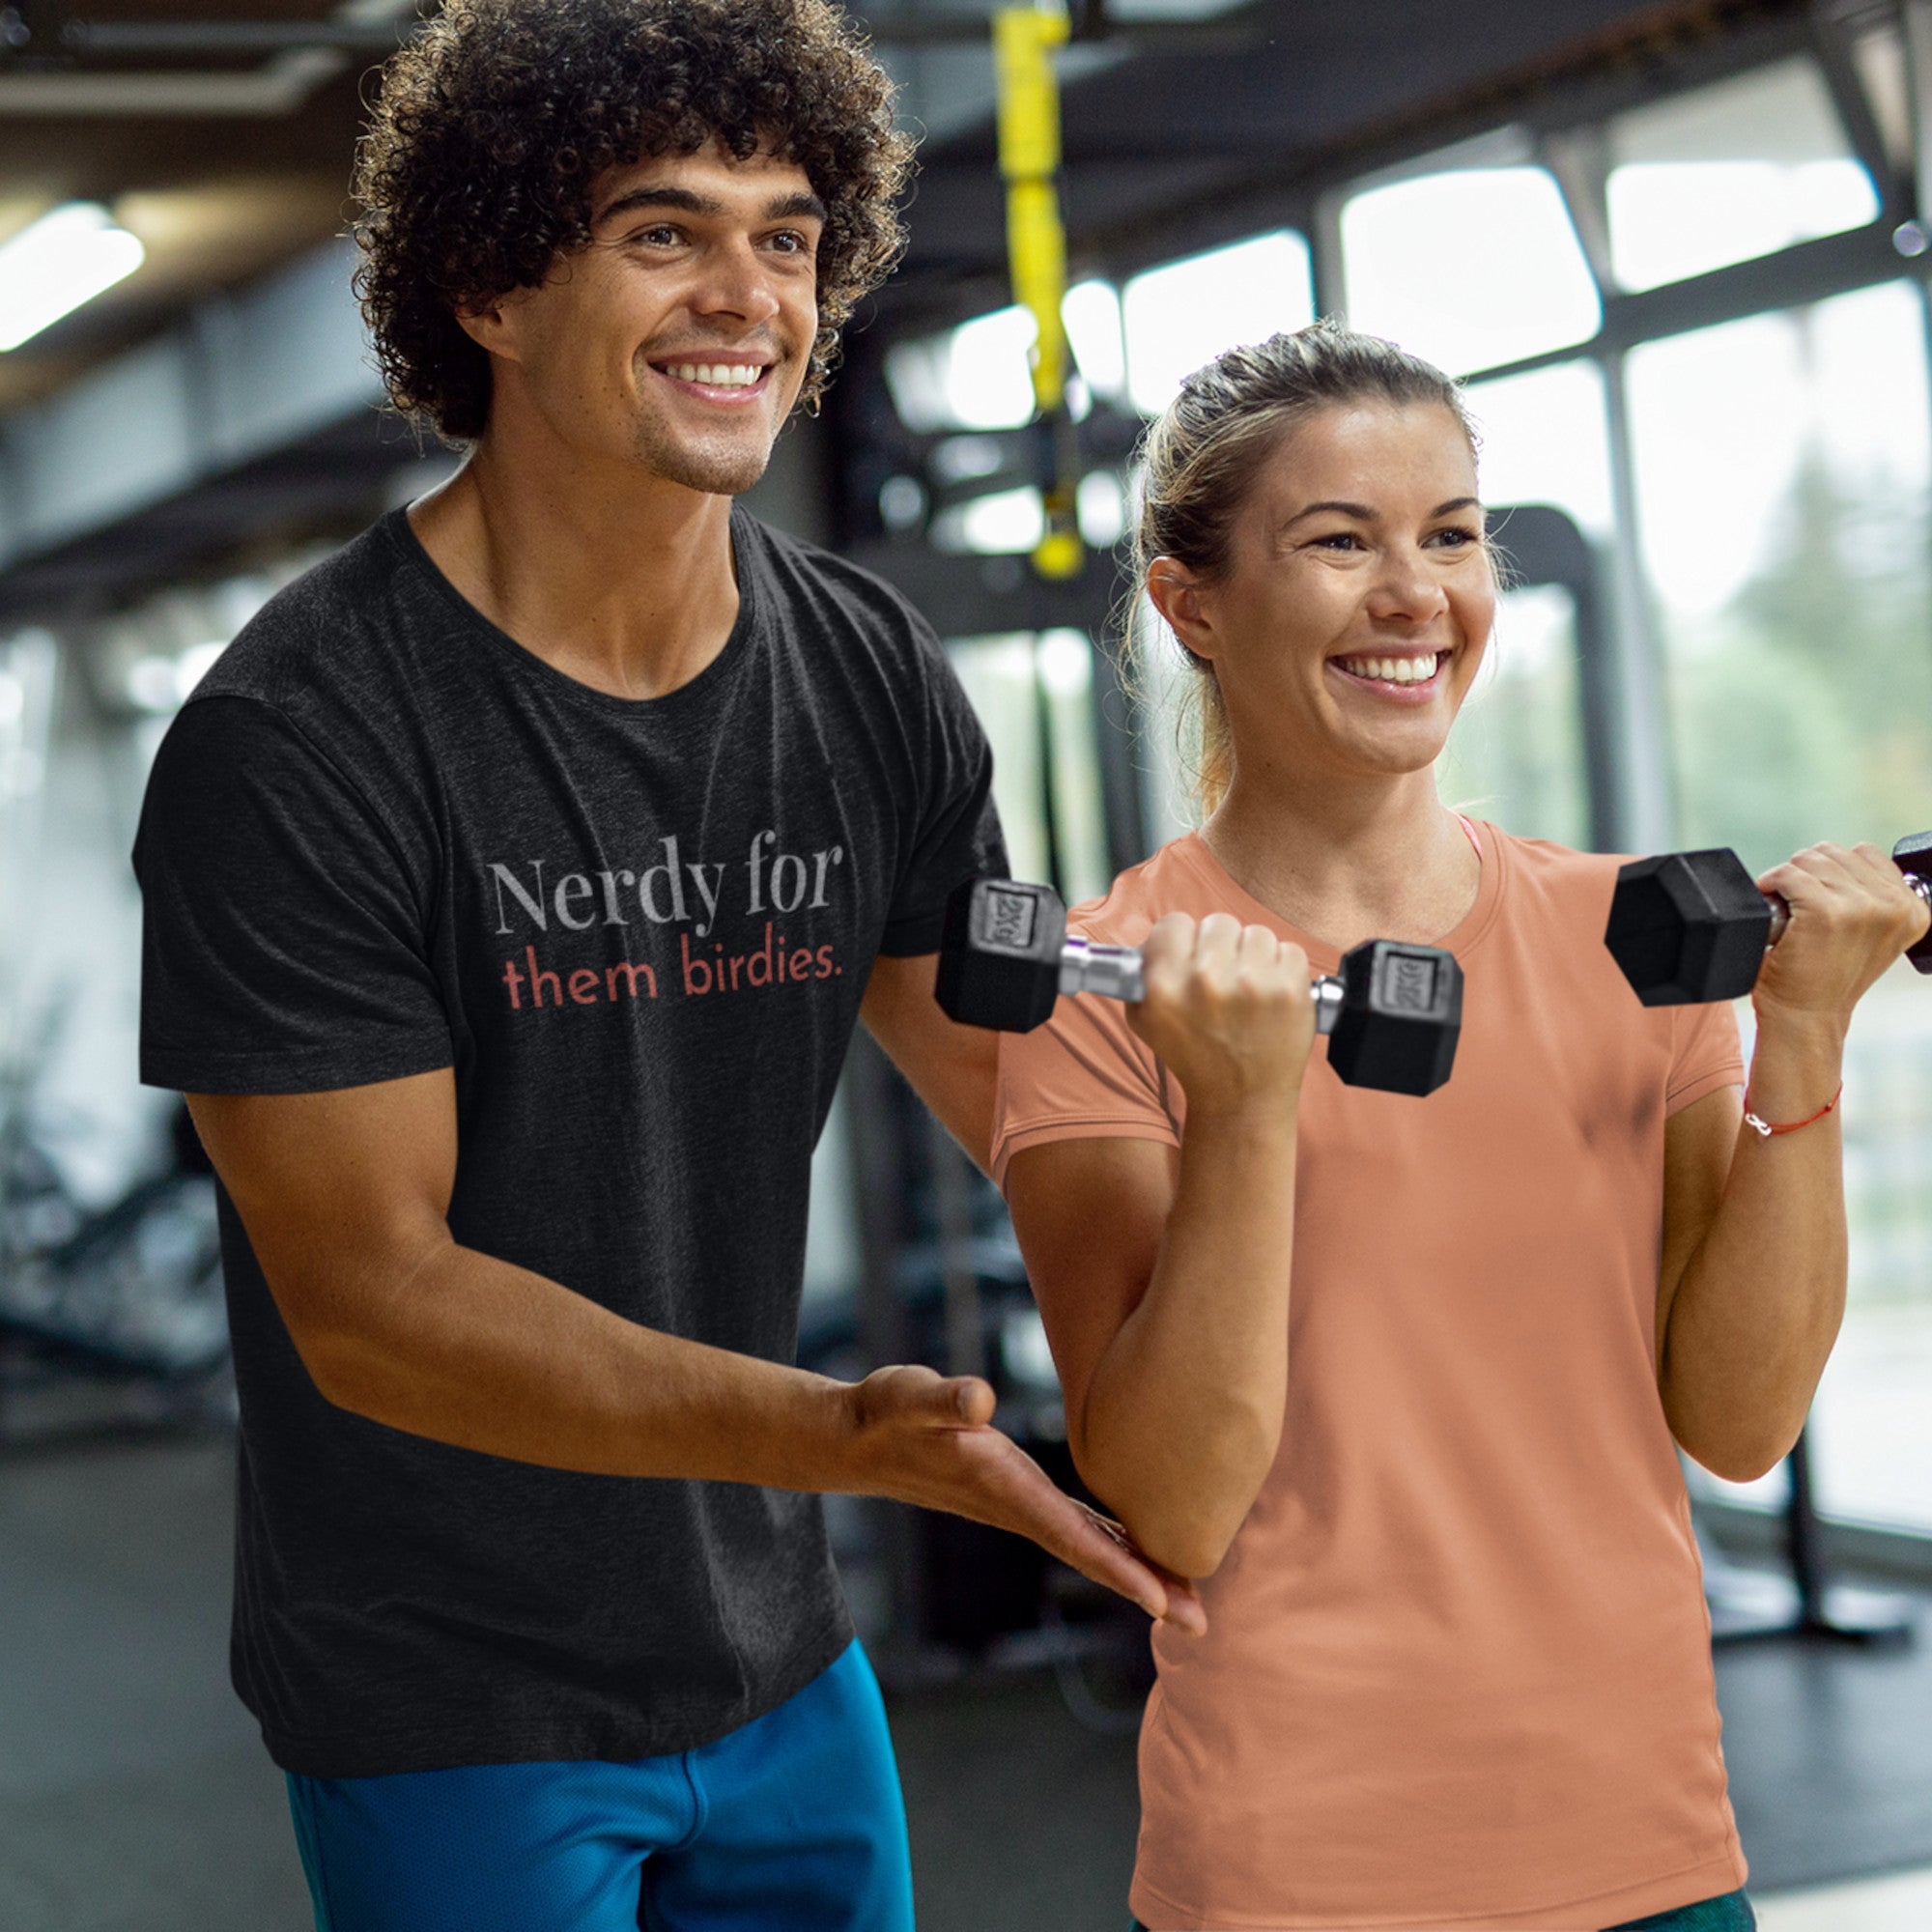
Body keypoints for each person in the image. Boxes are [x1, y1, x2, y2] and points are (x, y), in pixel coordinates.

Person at [131, 4, 1196, 1929]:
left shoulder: (863, 672)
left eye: (787, 237)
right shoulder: (300, 736)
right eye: (662, 232)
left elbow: (1027, 1092)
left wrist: (1262, 1226)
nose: (747, 298)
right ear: (491, 287)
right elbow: (374, 1297)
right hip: (447, 1693)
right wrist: (844, 1439)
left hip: (778, 1647)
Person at [993, 321, 1930, 1932]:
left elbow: (1740, 1419)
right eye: (1340, 541)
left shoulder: (1626, 937)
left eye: (1451, 536)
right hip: (1300, 1872)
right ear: (1189, 602)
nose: (1416, 593)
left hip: (1649, 1844)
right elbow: (1177, 1501)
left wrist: (1802, 1038)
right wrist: (1241, 1113)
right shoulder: (1115, 981)